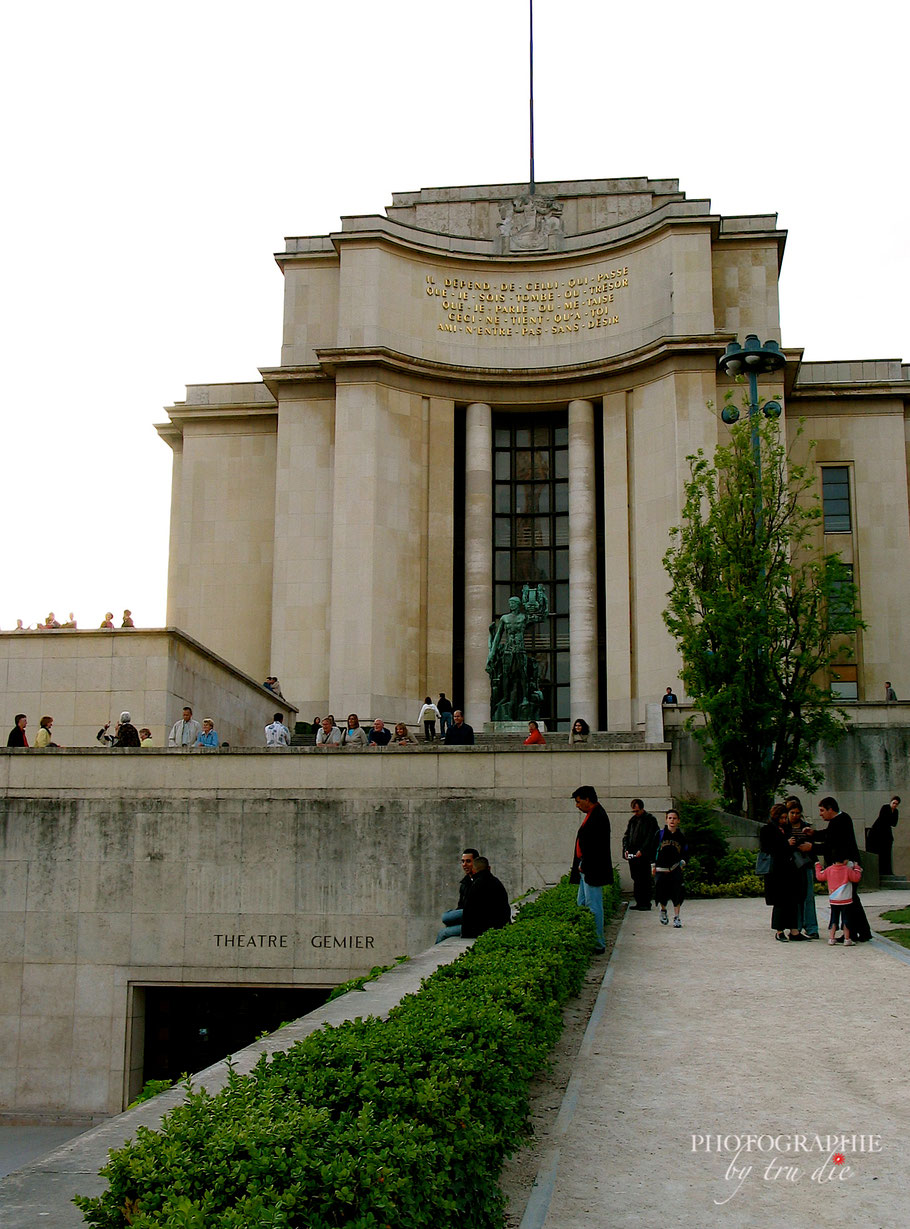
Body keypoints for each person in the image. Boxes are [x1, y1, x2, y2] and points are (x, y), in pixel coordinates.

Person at [815, 797, 871, 941]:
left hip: (846, 865)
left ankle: (853, 932)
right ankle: (862, 931)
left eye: (822, 810)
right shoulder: (841, 819)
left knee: (848, 901)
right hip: (848, 864)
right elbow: (828, 835)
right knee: (852, 899)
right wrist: (814, 834)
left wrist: (812, 847)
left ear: (830, 809)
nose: (821, 814)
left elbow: (830, 843)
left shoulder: (839, 821)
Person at [570, 785, 612, 954]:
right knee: (582, 904)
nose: (577, 805)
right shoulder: (594, 815)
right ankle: (588, 938)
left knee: (593, 906)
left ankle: (598, 943)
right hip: (586, 868)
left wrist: (584, 864)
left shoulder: (598, 816)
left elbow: (595, 847)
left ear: (587, 799)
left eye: (579, 802)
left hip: (591, 869)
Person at [759, 803, 805, 942]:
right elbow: (768, 848)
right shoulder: (767, 830)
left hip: (789, 869)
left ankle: (794, 930)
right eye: (782, 817)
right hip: (776, 871)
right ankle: (779, 931)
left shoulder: (786, 828)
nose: (784, 820)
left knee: (792, 900)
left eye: (785, 817)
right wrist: (786, 844)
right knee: (780, 901)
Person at [785, 796, 819, 939]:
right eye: (792, 813)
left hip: (806, 865)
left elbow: (813, 848)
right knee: (795, 898)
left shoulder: (806, 827)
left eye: (797, 813)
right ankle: (796, 926)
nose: (795, 816)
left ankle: (811, 927)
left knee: (809, 896)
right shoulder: (784, 828)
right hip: (792, 866)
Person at [460, 856, 511, 938]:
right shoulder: (496, 882)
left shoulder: (476, 885)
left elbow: (468, 912)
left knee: (444, 931)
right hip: (499, 925)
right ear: (489, 868)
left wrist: (465, 935)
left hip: (481, 929)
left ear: (473, 869)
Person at [652, 809, 687, 927]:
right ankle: (663, 910)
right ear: (666, 820)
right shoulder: (659, 834)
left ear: (678, 821)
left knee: (677, 892)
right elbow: (652, 850)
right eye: (670, 818)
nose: (672, 820)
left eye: (674, 818)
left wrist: (683, 861)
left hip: (675, 868)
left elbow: (686, 852)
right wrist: (653, 865)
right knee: (661, 892)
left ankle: (677, 917)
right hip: (661, 869)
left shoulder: (681, 837)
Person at [816, 857, 862, 945]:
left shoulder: (829, 869)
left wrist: (818, 867)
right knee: (846, 919)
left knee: (834, 918)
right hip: (846, 899)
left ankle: (831, 938)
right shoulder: (847, 870)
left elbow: (820, 876)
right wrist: (857, 868)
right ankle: (847, 938)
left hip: (834, 899)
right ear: (845, 860)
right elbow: (856, 878)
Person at [623, 798, 659, 911]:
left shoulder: (650, 820)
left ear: (642, 809)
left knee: (645, 878)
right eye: (633, 811)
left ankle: (646, 902)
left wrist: (643, 850)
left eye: (637, 811)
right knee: (636, 878)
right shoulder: (633, 820)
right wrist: (626, 849)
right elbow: (627, 836)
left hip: (644, 855)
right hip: (633, 854)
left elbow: (651, 837)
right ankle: (639, 902)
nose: (635, 813)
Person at [436, 848, 479, 942]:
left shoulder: (480, 882)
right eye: (463, 861)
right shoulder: (465, 883)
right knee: (447, 919)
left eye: (468, 861)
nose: (464, 865)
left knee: (444, 926)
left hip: (477, 925)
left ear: (476, 863)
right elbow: (461, 906)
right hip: (468, 921)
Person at [867, 796, 900, 875]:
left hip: (886, 833)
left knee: (887, 853)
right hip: (878, 832)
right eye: (894, 803)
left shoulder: (896, 811)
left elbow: (894, 823)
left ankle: (887, 871)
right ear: (891, 802)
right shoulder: (885, 807)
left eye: (896, 804)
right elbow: (883, 818)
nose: (895, 805)